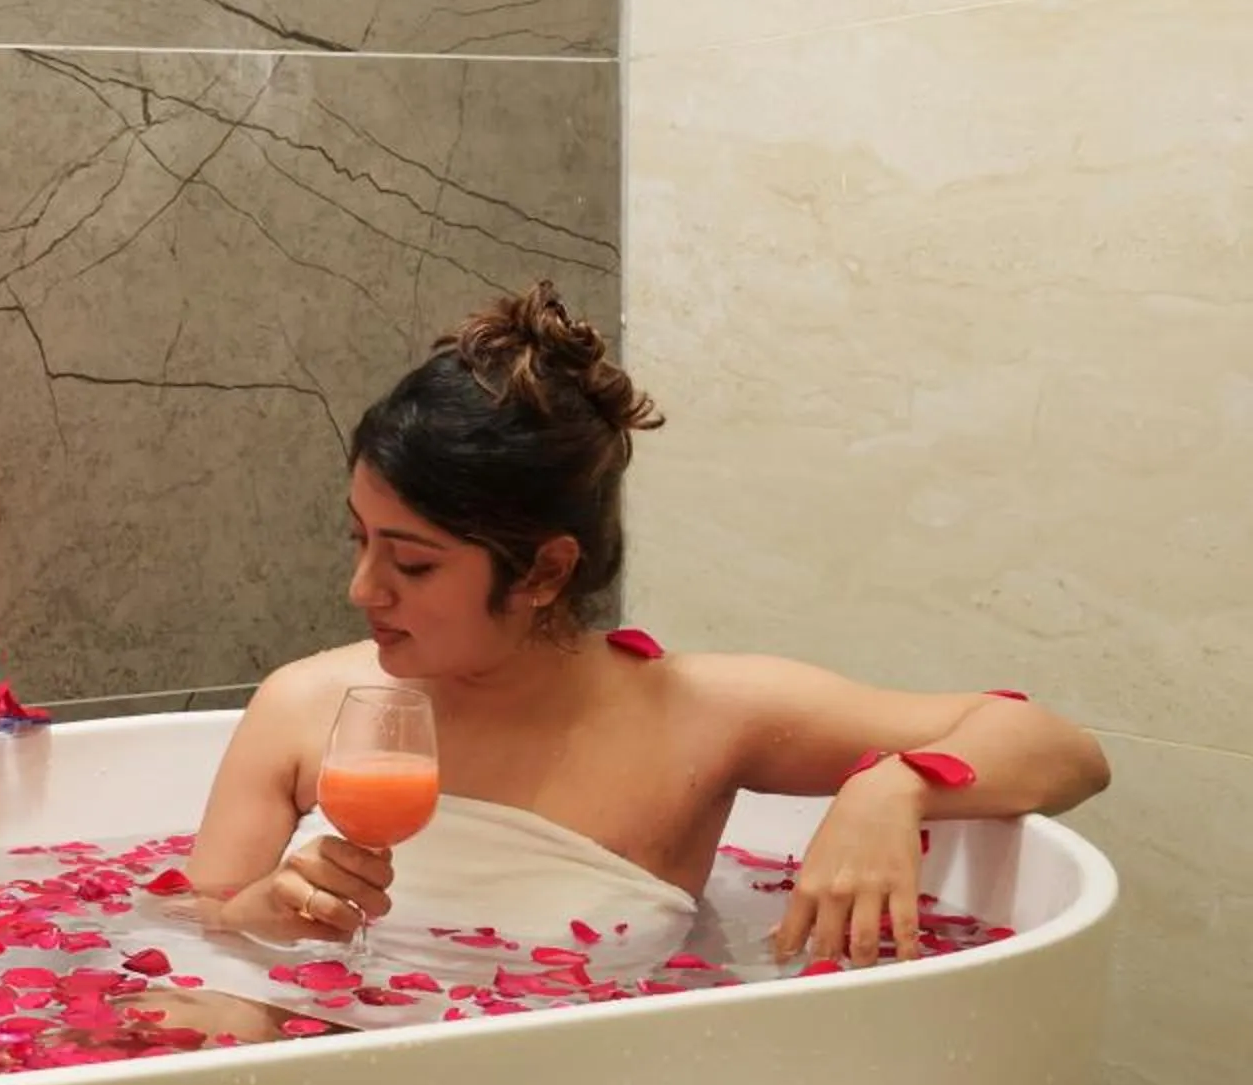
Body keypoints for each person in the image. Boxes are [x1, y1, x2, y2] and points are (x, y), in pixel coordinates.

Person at [184, 283, 1109, 990]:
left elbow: (1064, 750)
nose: (362, 589)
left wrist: (894, 788)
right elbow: (188, 943)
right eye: (359, 541)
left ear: (545, 571)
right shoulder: (307, 708)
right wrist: (262, 914)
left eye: (414, 564)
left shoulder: (699, 718)